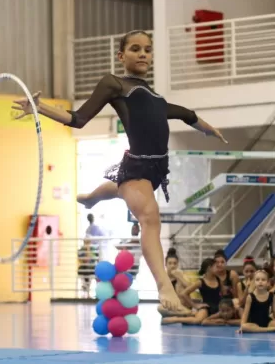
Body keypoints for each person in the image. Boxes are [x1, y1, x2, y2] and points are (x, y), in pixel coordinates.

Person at [12, 30, 227, 312]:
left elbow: (187, 114)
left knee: (120, 188)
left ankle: (91, 197)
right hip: (138, 165)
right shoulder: (115, 84)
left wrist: (209, 130)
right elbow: (78, 119)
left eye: (147, 50)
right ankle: (163, 284)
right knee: (149, 218)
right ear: (121, 56)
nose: (142, 54)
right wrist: (40, 108)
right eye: (135, 49)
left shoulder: (154, 97)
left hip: (155, 169)